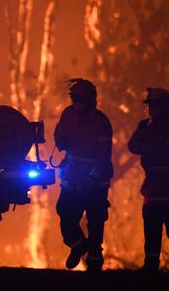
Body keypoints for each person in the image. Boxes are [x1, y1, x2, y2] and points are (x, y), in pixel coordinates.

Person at [128, 88, 169, 275]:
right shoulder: (147, 127)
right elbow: (133, 147)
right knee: (156, 229)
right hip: (157, 188)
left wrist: (153, 140)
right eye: (150, 106)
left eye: (154, 106)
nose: (150, 110)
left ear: (165, 108)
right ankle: (155, 266)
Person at [54, 78, 113, 272]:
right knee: (65, 212)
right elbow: (59, 133)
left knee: (95, 220)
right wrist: (60, 140)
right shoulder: (68, 115)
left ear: (90, 100)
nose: (76, 102)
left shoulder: (101, 122)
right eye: (74, 98)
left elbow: (104, 157)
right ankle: (78, 245)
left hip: (95, 182)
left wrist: (92, 179)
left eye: (79, 98)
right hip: (72, 176)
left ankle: (94, 262)